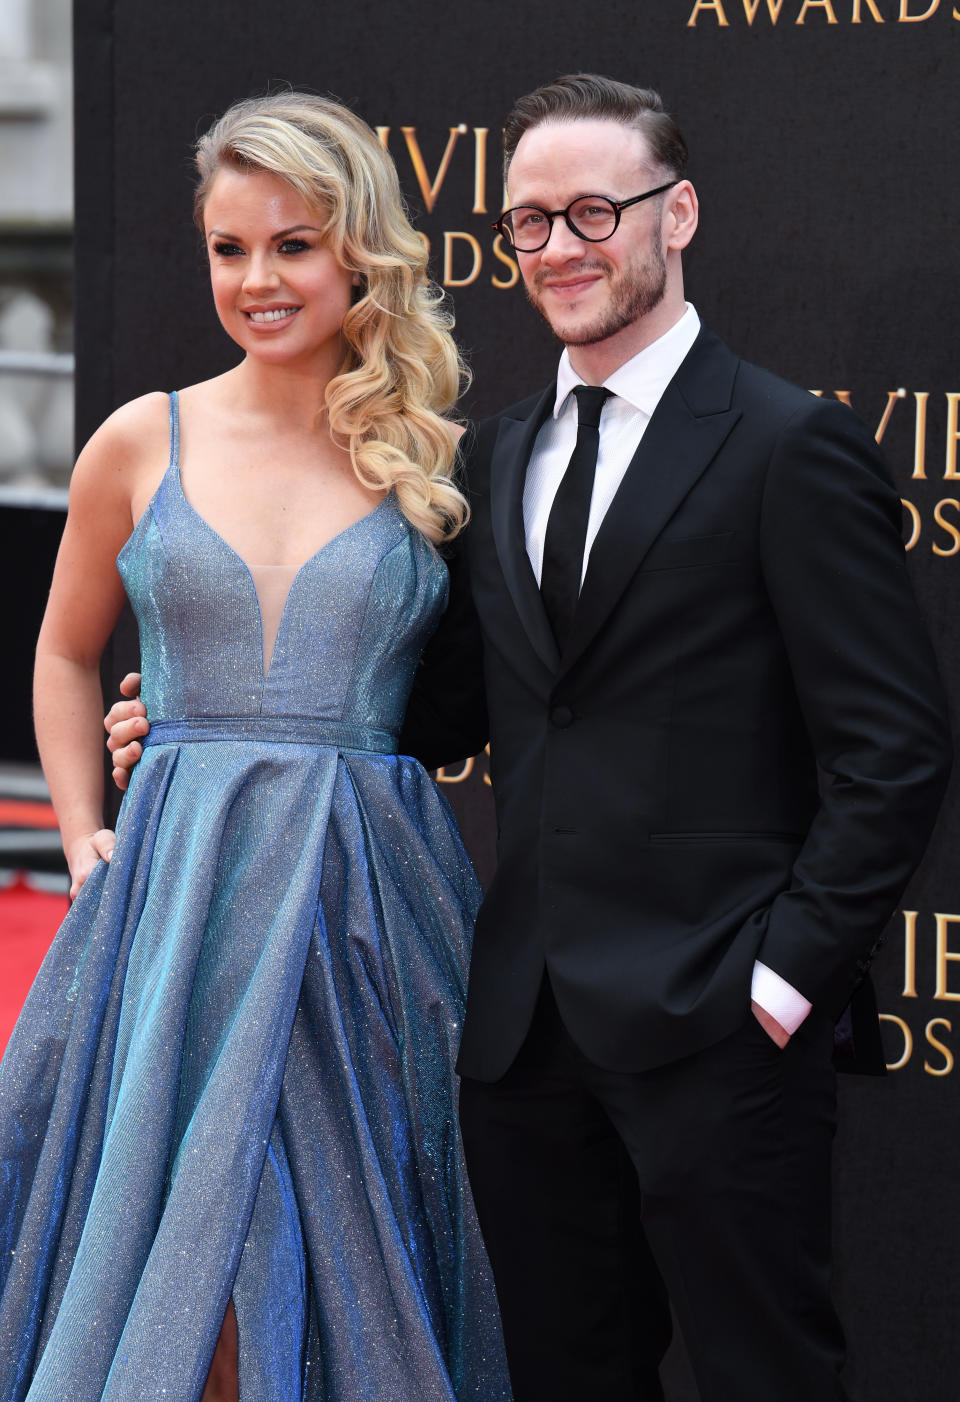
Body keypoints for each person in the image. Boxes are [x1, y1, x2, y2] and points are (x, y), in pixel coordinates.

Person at [107, 75, 952, 1402]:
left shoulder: (792, 446)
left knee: (765, 1372)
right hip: (523, 1046)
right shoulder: (490, 460)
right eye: (529, 222)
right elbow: (434, 705)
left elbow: (892, 748)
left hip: (721, 1031)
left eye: (596, 211)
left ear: (679, 216)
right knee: (558, 1374)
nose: (560, 246)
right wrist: (203, 706)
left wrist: (780, 984)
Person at [0, 92, 512, 1402]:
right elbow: (64, 652)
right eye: (228, 249)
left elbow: (484, 695)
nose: (257, 279)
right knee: (178, 1243)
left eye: (291, 243)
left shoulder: (434, 458)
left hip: (363, 908)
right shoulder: (140, 435)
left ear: (358, 251)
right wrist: (84, 833)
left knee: (353, 1236)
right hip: (176, 899)